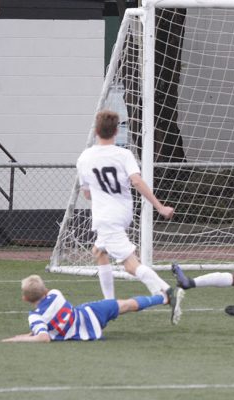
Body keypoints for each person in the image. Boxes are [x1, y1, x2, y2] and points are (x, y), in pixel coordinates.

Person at [76, 110, 182, 322]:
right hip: (123, 213)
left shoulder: (84, 157)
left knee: (130, 265)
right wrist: (159, 205)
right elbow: (136, 181)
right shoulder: (123, 154)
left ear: (96, 130)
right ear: (116, 131)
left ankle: (166, 290)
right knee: (99, 251)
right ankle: (109, 303)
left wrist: (160, 208)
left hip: (106, 217)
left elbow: (86, 192)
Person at [2, 275, 179, 342]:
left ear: (25, 299)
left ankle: (163, 297)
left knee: (124, 305)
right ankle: (163, 298)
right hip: (90, 313)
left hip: (86, 333)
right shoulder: (55, 293)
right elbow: (44, 334)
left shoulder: (35, 317)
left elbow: (43, 336)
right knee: (126, 305)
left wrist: (19, 338)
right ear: (45, 290)